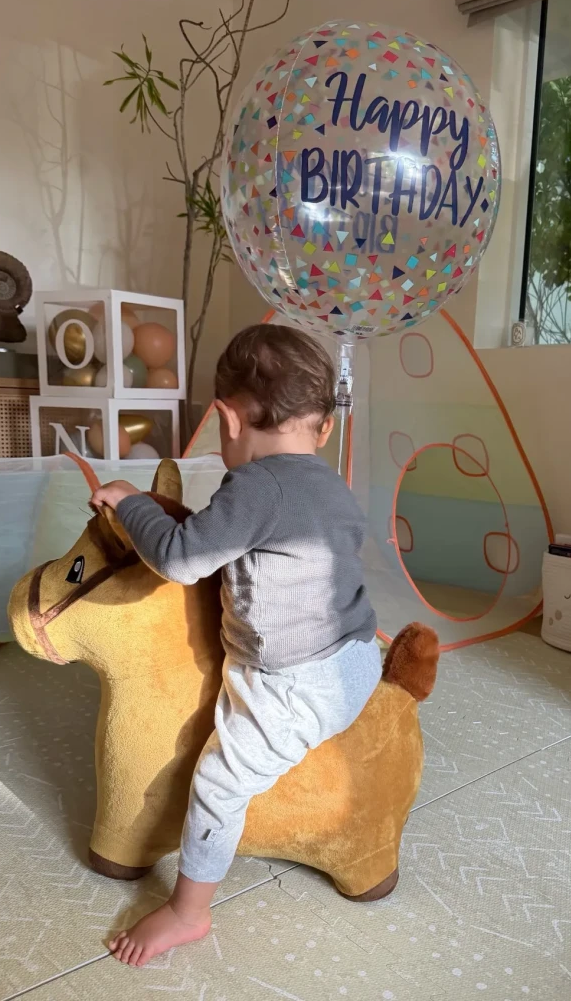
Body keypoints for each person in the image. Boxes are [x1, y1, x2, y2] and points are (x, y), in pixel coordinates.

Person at [90, 324, 378, 968]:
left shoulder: (255, 487)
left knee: (219, 782)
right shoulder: (330, 482)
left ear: (226, 418)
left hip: (293, 683)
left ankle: (188, 913)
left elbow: (179, 559)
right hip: (358, 655)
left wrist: (132, 501)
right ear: (324, 428)